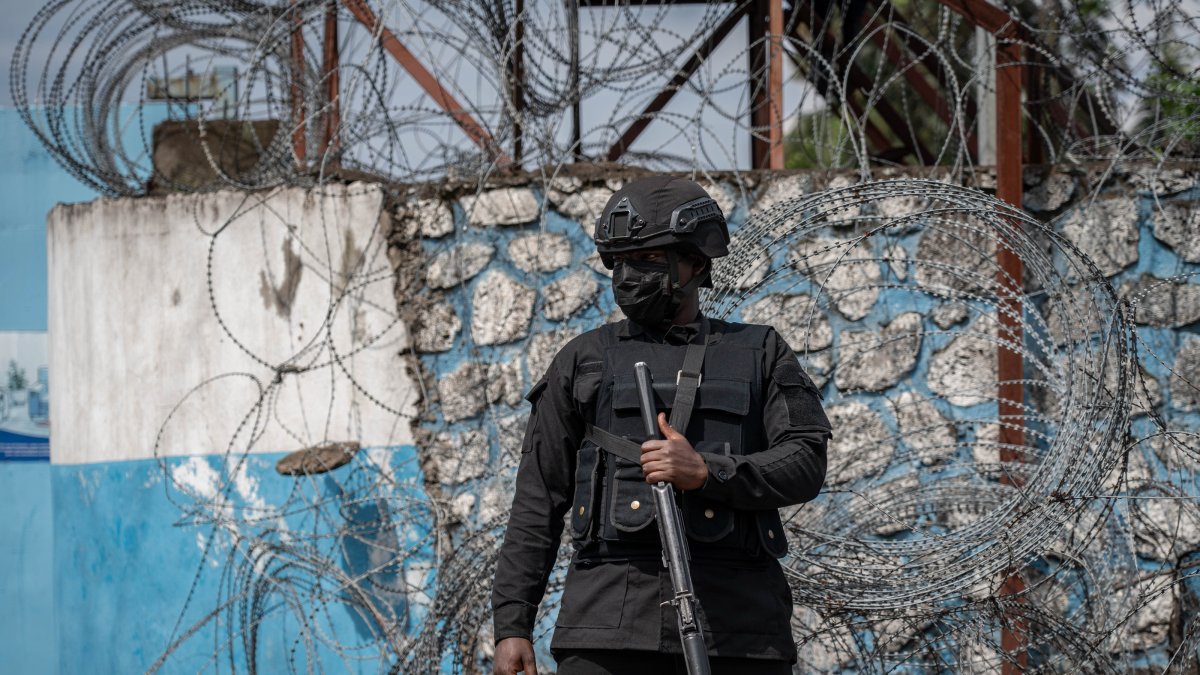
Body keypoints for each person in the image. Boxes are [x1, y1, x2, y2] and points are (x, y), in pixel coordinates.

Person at [491, 175, 831, 675]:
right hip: (607, 628)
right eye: (620, 262)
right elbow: (538, 499)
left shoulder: (760, 352)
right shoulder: (583, 360)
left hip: (738, 631)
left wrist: (706, 472)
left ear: (696, 262)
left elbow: (805, 461)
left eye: (648, 260)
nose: (629, 276)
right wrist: (513, 624)